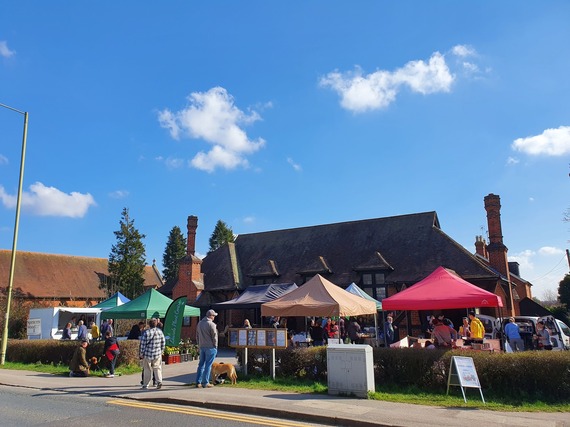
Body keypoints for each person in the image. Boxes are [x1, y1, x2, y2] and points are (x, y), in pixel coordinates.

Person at [139, 318, 165, 389]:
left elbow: (143, 344)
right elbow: (163, 342)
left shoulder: (146, 333)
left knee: (147, 369)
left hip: (148, 354)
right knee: (157, 368)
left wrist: (141, 353)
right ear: (156, 324)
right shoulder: (160, 332)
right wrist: (161, 351)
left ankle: (146, 384)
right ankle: (159, 381)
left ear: (149, 325)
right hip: (157, 354)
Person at [196, 309, 219, 388]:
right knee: (208, 365)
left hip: (202, 346)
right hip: (210, 347)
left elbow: (197, 336)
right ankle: (205, 382)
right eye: (214, 316)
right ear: (211, 316)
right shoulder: (212, 324)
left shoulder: (199, 323)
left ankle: (198, 382)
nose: (214, 317)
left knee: (201, 365)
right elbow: (214, 337)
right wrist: (215, 346)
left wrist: (199, 344)